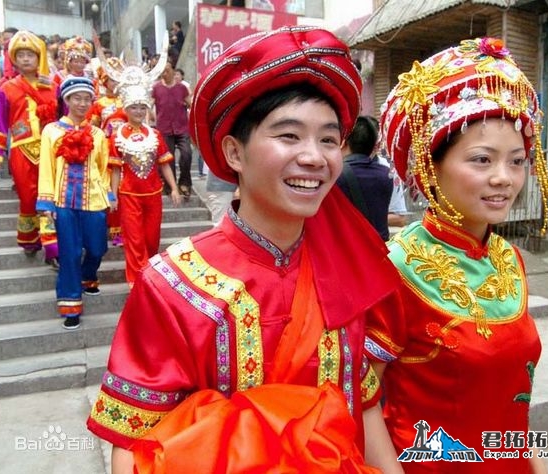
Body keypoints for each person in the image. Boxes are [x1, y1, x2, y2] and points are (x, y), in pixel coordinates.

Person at [87, 25, 403, 474]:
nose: (315, 156)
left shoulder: (346, 272)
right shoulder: (173, 284)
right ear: (234, 153)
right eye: (289, 136)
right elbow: (134, 441)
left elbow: (364, 406)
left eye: (329, 139)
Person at [370, 37, 548, 473]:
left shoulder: (509, 258)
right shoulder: (393, 268)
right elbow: (362, 403)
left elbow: (512, 397)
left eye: (517, 161)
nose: (504, 178)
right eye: (482, 160)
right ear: (431, 164)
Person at [36, 76, 112, 330]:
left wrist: (108, 194)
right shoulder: (52, 131)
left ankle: (88, 276)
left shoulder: (98, 134)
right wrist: (46, 204)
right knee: (69, 254)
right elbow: (46, 166)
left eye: (87, 98)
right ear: (66, 100)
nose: (82, 103)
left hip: (94, 201)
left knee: (97, 248)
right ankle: (70, 305)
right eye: (76, 98)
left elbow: (103, 168)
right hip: (63, 203)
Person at [103, 54, 182, 287]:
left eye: (142, 107)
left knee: (151, 237)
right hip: (129, 195)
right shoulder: (117, 135)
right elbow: (115, 169)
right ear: (126, 108)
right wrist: (113, 194)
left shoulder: (154, 134)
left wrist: (174, 188)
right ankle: (136, 280)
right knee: (134, 239)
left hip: (153, 194)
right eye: (134, 107)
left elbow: (164, 163)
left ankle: (148, 272)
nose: (138, 111)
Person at [0, 30, 58, 262]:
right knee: (28, 198)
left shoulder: (52, 85)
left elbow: (65, 115)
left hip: (51, 150)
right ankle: (29, 239)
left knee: (49, 199)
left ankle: (53, 248)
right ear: (14, 59)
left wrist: (56, 89)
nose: (26, 59)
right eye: (21, 55)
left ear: (39, 58)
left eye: (31, 54)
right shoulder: (8, 88)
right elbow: (0, 123)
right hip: (21, 150)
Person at [88, 57, 128, 247]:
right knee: (108, 186)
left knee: (123, 187)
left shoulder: (128, 100)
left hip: (125, 146)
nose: (115, 83)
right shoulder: (99, 103)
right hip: (105, 148)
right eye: (111, 79)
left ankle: (124, 228)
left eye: (117, 79)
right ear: (105, 81)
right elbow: (92, 126)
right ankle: (110, 228)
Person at [337, 115, 393, 240]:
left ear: (344, 143)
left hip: (349, 249)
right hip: (380, 249)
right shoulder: (387, 175)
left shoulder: (335, 176)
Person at [151, 61, 193, 198]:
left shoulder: (182, 88)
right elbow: (148, 105)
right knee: (168, 159)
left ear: (173, 71)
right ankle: (170, 186)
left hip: (182, 127)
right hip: (164, 128)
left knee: (187, 154)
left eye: (167, 70)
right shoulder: (156, 88)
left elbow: (190, 104)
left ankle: (185, 183)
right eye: (162, 71)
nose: (165, 73)